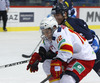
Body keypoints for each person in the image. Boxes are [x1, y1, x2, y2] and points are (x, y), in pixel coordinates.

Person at [27, 16, 96, 83]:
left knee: (67, 80)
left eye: (47, 32)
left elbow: (67, 51)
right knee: (47, 63)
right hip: (71, 58)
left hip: (84, 58)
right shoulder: (50, 35)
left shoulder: (59, 34)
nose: (46, 35)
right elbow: (45, 48)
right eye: (43, 32)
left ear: (54, 28)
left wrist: (57, 62)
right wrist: (39, 56)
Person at [51, 1, 100, 76]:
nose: (56, 18)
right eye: (55, 15)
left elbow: (89, 37)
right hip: (83, 53)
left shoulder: (72, 22)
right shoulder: (60, 27)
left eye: (58, 15)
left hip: (93, 50)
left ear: (64, 14)